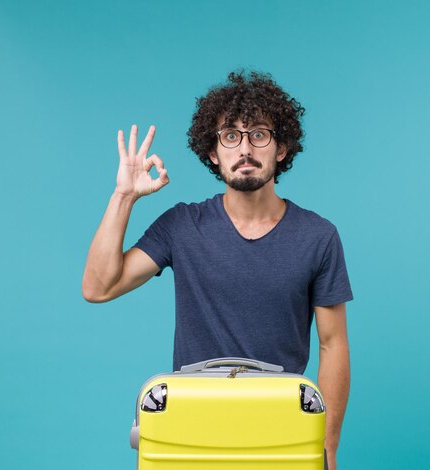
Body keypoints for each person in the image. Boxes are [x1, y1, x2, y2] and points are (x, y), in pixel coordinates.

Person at [82, 70, 353, 470]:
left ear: (281, 148)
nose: (245, 148)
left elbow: (333, 345)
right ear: (213, 152)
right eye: (231, 136)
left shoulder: (318, 236)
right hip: (191, 429)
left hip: (280, 431)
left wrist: (326, 447)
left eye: (259, 133)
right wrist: (124, 196)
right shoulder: (181, 226)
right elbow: (98, 287)